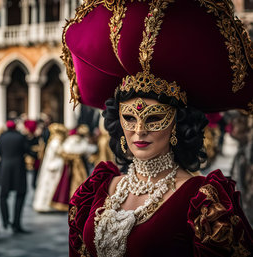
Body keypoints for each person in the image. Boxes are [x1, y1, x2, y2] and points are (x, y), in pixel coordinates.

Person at [61, 0, 253, 256]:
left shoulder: (202, 202)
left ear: (178, 124)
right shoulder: (99, 189)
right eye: (129, 118)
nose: (139, 130)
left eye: (153, 119)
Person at [0, 120, 31, 233]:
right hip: (18, 168)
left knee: (3, 195)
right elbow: (27, 150)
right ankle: (16, 223)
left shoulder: (2, 137)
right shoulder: (20, 137)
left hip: (5, 167)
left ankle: (5, 220)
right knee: (20, 194)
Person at [51, 124, 97, 211]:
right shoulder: (76, 142)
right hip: (75, 166)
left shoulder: (72, 142)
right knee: (75, 182)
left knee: (72, 183)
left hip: (75, 166)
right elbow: (86, 149)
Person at [32, 123, 68, 212]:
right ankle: (46, 205)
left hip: (52, 166)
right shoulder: (56, 142)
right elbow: (62, 153)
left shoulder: (53, 141)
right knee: (50, 186)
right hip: (53, 167)